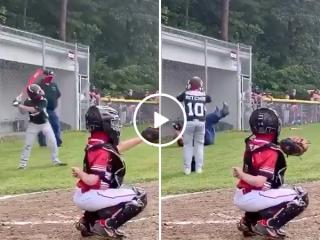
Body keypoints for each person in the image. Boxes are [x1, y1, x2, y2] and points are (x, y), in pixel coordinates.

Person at [72, 105, 147, 239]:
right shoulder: (102, 150)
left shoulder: (96, 143)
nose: (116, 126)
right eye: (113, 123)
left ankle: (88, 223)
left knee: (113, 192)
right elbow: (93, 180)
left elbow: (118, 148)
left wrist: (143, 137)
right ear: (104, 125)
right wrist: (81, 174)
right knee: (139, 196)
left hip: (84, 194)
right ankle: (106, 224)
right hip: (92, 196)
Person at [232, 108, 308, 238]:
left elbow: (265, 146)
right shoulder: (271, 151)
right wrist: (241, 174)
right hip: (253, 196)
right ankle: (271, 225)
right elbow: (260, 181)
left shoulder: (251, 142)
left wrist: (285, 147)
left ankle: (248, 222)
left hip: (244, 194)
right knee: (300, 196)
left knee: (277, 187)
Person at [14, 84, 67, 169]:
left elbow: (34, 109)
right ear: (33, 94)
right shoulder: (27, 101)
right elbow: (22, 112)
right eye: (37, 92)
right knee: (27, 144)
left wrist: (19, 105)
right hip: (33, 125)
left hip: (45, 124)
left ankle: (56, 160)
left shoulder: (43, 100)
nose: (40, 93)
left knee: (53, 142)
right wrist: (18, 103)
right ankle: (22, 164)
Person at [177, 76, 211, 175]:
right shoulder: (203, 95)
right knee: (199, 145)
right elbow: (209, 99)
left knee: (188, 145)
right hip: (201, 122)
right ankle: (198, 168)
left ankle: (187, 169)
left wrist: (187, 90)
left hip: (189, 121)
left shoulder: (186, 94)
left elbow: (178, 98)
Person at [38, 70, 63, 147]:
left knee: (55, 125)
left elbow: (58, 94)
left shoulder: (54, 85)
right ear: (44, 76)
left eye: (52, 76)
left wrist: (53, 101)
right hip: (42, 109)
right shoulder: (39, 85)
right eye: (49, 75)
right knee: (42, 126)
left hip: (51, 109)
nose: (51, 77)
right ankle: (42, 142)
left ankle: (57, 142)